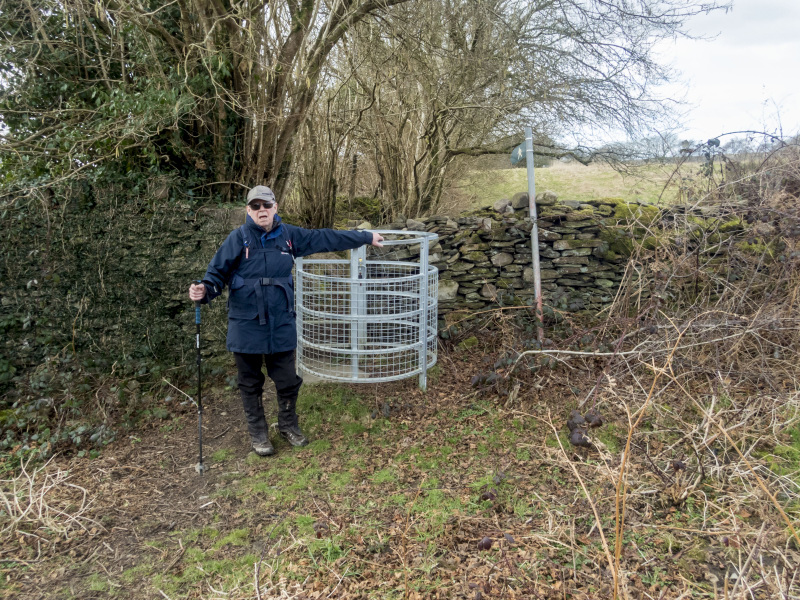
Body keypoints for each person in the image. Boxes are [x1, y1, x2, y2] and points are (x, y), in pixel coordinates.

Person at [188, 186, 384, 456]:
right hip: (246, 324)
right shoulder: (238, 238)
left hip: (280, 323)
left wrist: (365, 236)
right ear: (248, 211)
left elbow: (326, 238)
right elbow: (215, 275)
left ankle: (288, 425)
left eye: (266, 205)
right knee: (249, 382)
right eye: (255, 207)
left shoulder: (289, 236)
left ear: (275, 207)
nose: (261, 211)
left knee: (288, 380)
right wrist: (203, 291)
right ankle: (258, 434)